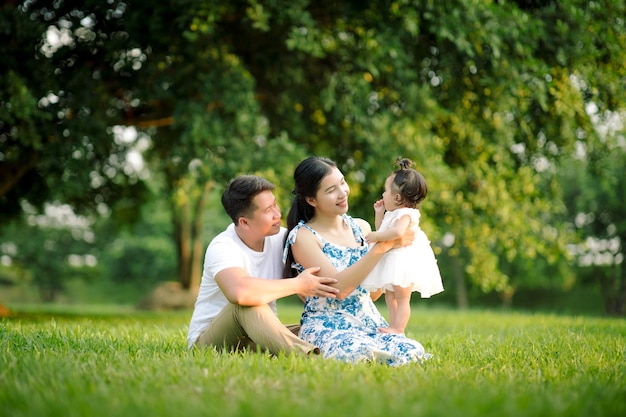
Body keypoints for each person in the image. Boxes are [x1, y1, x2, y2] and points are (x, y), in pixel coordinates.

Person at [283, 156, 430, 366]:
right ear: (311, 200)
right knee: (355, 350)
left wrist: (394, 258)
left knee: (412, 349)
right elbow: (339, 289)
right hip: (328, 325)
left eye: (342, 182)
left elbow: (372, 293)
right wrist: (384, 246)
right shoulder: (303, 237)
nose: (342, 192)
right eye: (330, 190)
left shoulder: (361, 228)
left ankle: (380, 355)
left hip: (368, 321)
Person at [187, 175, 340, 356]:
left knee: (319, 329)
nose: (278, 213)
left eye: (275, 204)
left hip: (260, 333)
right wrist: (299, 284)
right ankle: (307, 357)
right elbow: (240, 293)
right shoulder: (222, 247)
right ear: (244, 222)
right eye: (268, 210)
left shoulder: (283, 239)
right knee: (247, 302)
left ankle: (347, 350)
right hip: (211, 342)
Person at [361, 158, 444, 334]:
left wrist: (376, 236)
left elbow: (397, 233)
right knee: (390, 296)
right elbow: (382, 229)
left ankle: (399, 328)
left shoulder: (406, 214)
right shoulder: (393, 213)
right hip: (393, 260)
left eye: (385, 191)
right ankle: (393, 326)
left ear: (397, 197)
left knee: (402, 297)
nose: (383, 195)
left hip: (403, 262)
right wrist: (379, 214)